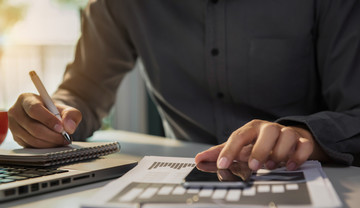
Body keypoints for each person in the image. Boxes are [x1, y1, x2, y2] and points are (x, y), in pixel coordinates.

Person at [8, 0, 360, 171]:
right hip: (180, 178)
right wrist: (50, 116)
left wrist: (306, 135)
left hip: (307, 178)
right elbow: (82, 91)